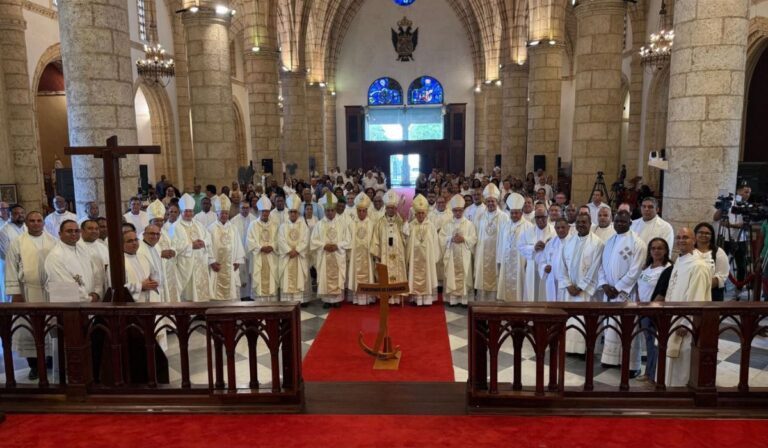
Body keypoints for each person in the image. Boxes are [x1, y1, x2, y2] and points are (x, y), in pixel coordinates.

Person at [5, 211, 57, 380]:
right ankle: (34, 365)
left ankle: (49, 360)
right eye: (32, 220)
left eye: (39, 220)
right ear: (26, 223)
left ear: (43, 223)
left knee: (49, 329)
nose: (36, 223)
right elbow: (11, 268)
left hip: (49, 293)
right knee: (29, 330)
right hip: (28, 292)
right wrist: (15, 293)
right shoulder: (17, 242)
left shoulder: (53, 241)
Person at [597, 210, 647, 375]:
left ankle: (633, 365)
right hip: (609, 293)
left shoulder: (637, 243)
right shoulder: (610, 241)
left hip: (626, 294)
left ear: (630, 223)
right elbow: (602, 266)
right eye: (617, 221)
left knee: (628, 329)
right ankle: (611, 359)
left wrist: (618, 288)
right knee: (611, 326)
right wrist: (604, 285)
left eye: (623, 222)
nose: (619, 224)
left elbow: (635, 270)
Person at [663, 227, 712, 387]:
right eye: (679, 237)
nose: (681, 240)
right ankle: (667, 390)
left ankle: (680, 396)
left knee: (682, 362)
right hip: (672, 317)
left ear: (694, 241)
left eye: (686, 237)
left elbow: (697, 298)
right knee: (670, 361)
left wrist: (685, 323)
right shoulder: (680, 259)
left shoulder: (698, 266)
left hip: (685, 324)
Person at [558, 214, 605, 354]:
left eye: (584, 222)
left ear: (591, 224)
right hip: (569, 290)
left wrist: (580, 286)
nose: (581, 225)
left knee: (584, 321)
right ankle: (568, 348)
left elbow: (596, 267)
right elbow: (561, 265)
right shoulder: (569, 241)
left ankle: (584, 349)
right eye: (578, 222)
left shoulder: (598, 243)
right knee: (570, 320)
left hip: (585, 291)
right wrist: (568, 284)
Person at [635, 237, 673, 383]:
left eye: (660, 248)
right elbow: (640, 285)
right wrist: (639, 302)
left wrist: (649, 308)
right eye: (653, 248)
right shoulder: (647, 267)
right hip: (643, 310)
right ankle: (649, 372)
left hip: (655, 312)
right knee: (649, 343)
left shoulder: (668, 268)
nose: (656, 251)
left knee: (656, 344)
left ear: (666, 251)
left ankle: (654, 375)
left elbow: (663, 292)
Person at [311, 193, 350, 308]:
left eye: (332, 210)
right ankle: (326, 300)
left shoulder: (342, 224)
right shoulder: (319, 225)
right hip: (325, 255)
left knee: (337, 276)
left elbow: (348, 240)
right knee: (324, 276)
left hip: (337, 255)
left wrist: (337, 245)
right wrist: (324, 245)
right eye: (327, 211)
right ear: (325, 211)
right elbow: (313, 240)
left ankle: (337, 299)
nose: (330, 213)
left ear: (335, 210)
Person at [44, 220, 98, 302]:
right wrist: (89, 298)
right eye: (69, 231)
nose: (74, 234)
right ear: (60, 234)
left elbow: (91, 274)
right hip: (69, 308)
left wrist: (94, 293)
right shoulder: (55, 256)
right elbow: (65, 289)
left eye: (76, 231)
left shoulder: (82, 249)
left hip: (88, 303)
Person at [371, 190, 408, 305]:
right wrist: (377, 255)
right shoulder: (379, 223)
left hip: (398, 255)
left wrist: (405, 220)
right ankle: (386, 298)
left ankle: (396, 298)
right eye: (389, 208)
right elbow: (375, 239)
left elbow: (406, 236)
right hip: (384, 256)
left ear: (395, 209)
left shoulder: (400, 221)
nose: (391, 210)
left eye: (393, 208)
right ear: (385, 208)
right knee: (385, 276)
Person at [440, 195, 477, 307]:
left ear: (463, 210)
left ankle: (464, 300)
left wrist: (464, 239)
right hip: (451, 253)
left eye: (460, 210)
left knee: (465, 275)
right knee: (452, 275)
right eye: (455, 210)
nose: (457, 213)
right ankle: (453, 299)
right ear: (452, 211)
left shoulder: (469, 224)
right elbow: (442, 237)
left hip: (464, 254)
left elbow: (474, 238)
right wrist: (450, 238)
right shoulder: (447, 224)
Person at [474, 184, 509, 301]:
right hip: (482, 253)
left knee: (496, 276)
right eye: (488, 201)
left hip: (497, 253)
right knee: (482, 277)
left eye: (492, 201)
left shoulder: (504, 217)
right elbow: (476, 234)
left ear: (497, 201)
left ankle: (495, 302)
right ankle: (482, 301)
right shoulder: (480, 216)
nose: (490, 203)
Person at [206, 195, 245, 301]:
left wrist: (238, 260)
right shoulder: (211, 229)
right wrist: (212, 261)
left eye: (226, 213)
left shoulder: (233, 228)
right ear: (217, 213)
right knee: (215, 292)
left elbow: (238, 245)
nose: (224, 215)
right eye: (222, 213)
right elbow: (207, 247)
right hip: (216, 266)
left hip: (231, 265)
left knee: (232, 291)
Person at [176, 193, 213, 302]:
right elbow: (174, 245)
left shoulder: (198, 224)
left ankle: (202, 310)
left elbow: (208, 237)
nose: (188, 213)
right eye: (186, 211)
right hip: (186, 264)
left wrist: (203, 242)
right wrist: (191, 245)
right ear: (181, 212)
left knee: (201, 290)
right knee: (189, 292)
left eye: (190, 211)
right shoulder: (175, 227)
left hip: (200, 263)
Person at [404, 194, 440, 306]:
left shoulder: (431, 226)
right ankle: (416, 298)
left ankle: (427, 299)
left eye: (422, 213)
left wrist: (433, 258)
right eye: (418, 213)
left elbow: (435, 243)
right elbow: (406, 242)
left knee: (427, 276)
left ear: (426, 213)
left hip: (427, 260)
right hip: (415, 259)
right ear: (415, 214)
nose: (420, 215)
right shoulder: (410, 226)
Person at [276, 194, 310, 303]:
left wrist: (297, 250)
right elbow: (280, 240)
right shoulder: (283, 226)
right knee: (287, 279)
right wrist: (289, 251)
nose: (293, 214)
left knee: (299, 279)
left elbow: (306, 239)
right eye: (291, 212)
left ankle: (298, 301)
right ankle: (287, 301)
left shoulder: (303, 225)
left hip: (298, 257)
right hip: (287, 257)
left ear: (298, 213)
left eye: (295, 212)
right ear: (288, 213)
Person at [496, 192, 529, 302]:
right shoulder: (505, 225)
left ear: (521, 212)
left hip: (521, 262)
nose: (514, 215)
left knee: (520, 287)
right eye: (512, 213)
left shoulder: (529, 226)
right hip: (506, 261)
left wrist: (528, 264)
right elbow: (500, 243)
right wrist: (499, 259)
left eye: (517, 213)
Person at [247, 196, 280, 302]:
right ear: (259, 211)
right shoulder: (253, 225)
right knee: (259, 279)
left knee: (271, 277)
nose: (265, 214)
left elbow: (279, 239)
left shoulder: (275, 225)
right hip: (259, 257)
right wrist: (261, 248)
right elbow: (249, 241)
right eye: (263, 211)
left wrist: (272, 246)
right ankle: (259, 302)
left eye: (267, 211)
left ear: (269, 212)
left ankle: (272, 300)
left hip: (271, 256)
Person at [519, 206, 554, 301]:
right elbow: (521, 247)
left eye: (543, 216)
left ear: (547, 217)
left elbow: (560, 248)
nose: (540, 219)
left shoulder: (554, 231)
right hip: (532, 267)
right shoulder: (528, 232)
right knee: (532, 293)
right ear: (535, 218)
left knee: (546, 293)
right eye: (537, 217)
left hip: (548, 269)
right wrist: (533, 248)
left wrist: (546, 248)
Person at [346, 193, 376, 306]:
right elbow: (348, 239)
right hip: (355, 255)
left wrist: (373, 251)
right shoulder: (351, 223)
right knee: (355, 274)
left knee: (369, 272)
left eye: (364, 211)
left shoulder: (371, 223)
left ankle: (368, 298)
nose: (361, 213)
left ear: (367, 211)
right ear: (356, 210)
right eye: (359, 211)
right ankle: (357, 298)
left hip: (368, 255)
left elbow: (374, 239)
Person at [123, 229, 161, 303]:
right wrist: (141, 286)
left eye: (136, 240)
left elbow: (154, 275)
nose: (134, 243)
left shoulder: (143, 257)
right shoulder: (118, 262)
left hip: (149, 302)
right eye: (130, 241)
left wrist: (153, 282)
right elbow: (118, 288)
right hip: (131, 306)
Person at [538, 218, 571, 302]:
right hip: (552, 280)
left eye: (563, 227)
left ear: (568, 227)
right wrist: (545, 267)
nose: (560, 230)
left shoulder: (574, 242)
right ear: (555, 228)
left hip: (567, 283)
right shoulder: (550, 243)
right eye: (558, 228)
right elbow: (542, 261)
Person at [693, 222, 728, 301]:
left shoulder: (719, 252)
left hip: (712, 293)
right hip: (691, 293)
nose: (704, 235)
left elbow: (721, 276)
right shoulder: (690, 251)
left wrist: (701, 286)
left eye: (707, 233)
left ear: (712, 236)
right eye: (701, 232)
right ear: (695, 234)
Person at [230, 200, 257, 299]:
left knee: (251, 274)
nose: (245, 210)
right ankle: (241, 296)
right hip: (239, 253)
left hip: (251, 252)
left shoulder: (254, 220)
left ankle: (250, 295)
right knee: (240, 273)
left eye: (247, 208)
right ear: (239, 208)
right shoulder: (233, 221)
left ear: (249, 208)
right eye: (243, 208)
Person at [76, 219, 109, 299]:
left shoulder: (103, 247)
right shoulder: (76, 247)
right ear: (82, 231)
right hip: (88, 291)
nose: (94, 231)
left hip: (104, 288)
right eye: (90, 228)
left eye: (96, 229)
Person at [0, 204, 27, 301]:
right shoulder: (4, 231)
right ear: (9, 214)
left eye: (22, 213)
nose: (20, 215)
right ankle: (8, 313)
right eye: (16, 213)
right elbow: (6, 252)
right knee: (10, 294)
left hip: (26, 266)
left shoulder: (27, 228)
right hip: (10, 266)